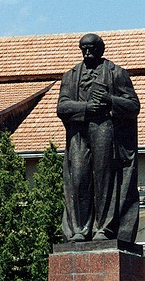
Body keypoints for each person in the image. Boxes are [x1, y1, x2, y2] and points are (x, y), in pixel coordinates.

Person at [57, 33, 140, 243]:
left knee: (104, 179)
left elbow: (133, 106)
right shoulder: (70, 75)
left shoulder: (117, 73)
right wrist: (86, 107)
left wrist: (109, 100)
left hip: (105, 128)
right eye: (83, 48)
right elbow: (62, 107)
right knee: (78, 178)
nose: (87, 52)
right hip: (79, 133)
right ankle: (80, 229)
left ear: (101, 49)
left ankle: (104, 228)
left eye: (91, 48)